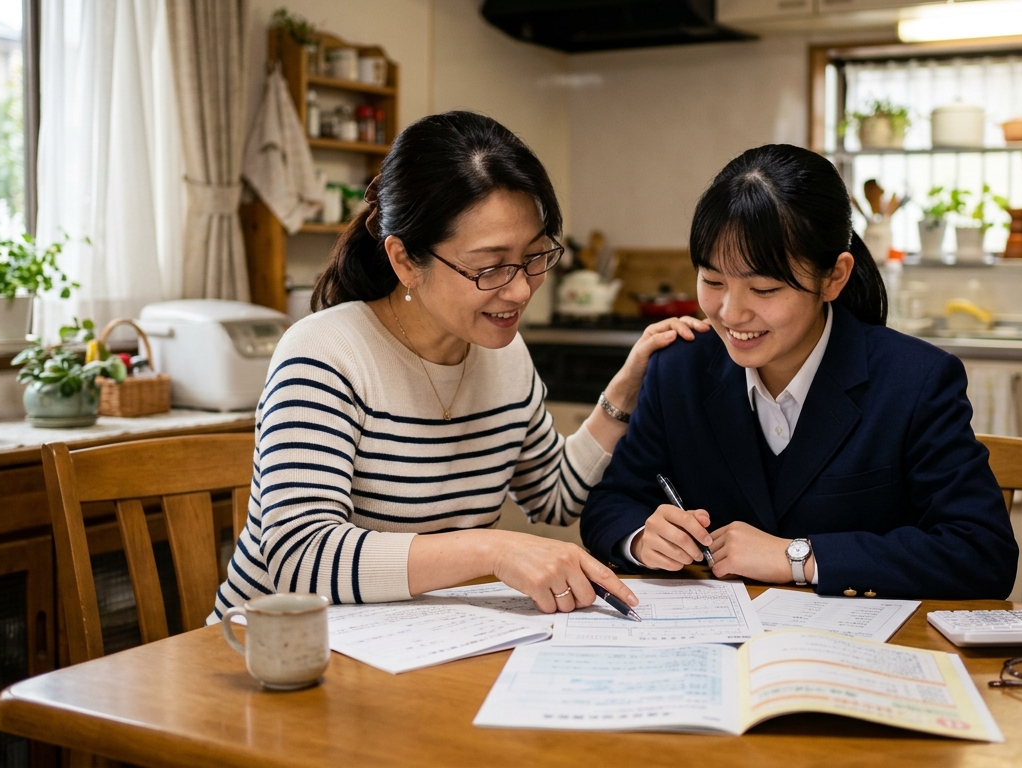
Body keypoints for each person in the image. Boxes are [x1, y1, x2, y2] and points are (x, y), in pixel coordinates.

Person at [211, 111, 707, 620]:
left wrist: (625, 390)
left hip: (404, 641)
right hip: (269, 650)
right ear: (404, 260)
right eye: (489, 267)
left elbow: (554, 496)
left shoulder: (504, 356)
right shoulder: (324, 354)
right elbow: (301, 559)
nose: (518, 290)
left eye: (535, 256)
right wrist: (493, 550)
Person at [580, 145, 1018, 600]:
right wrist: (642, 538)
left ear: (833, 277)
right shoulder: (680, 369)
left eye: (764, 288)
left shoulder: (916, 380)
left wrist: (799, 557)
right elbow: (610, 506)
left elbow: (982, 551)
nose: (730, 313)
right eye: (712, 282)